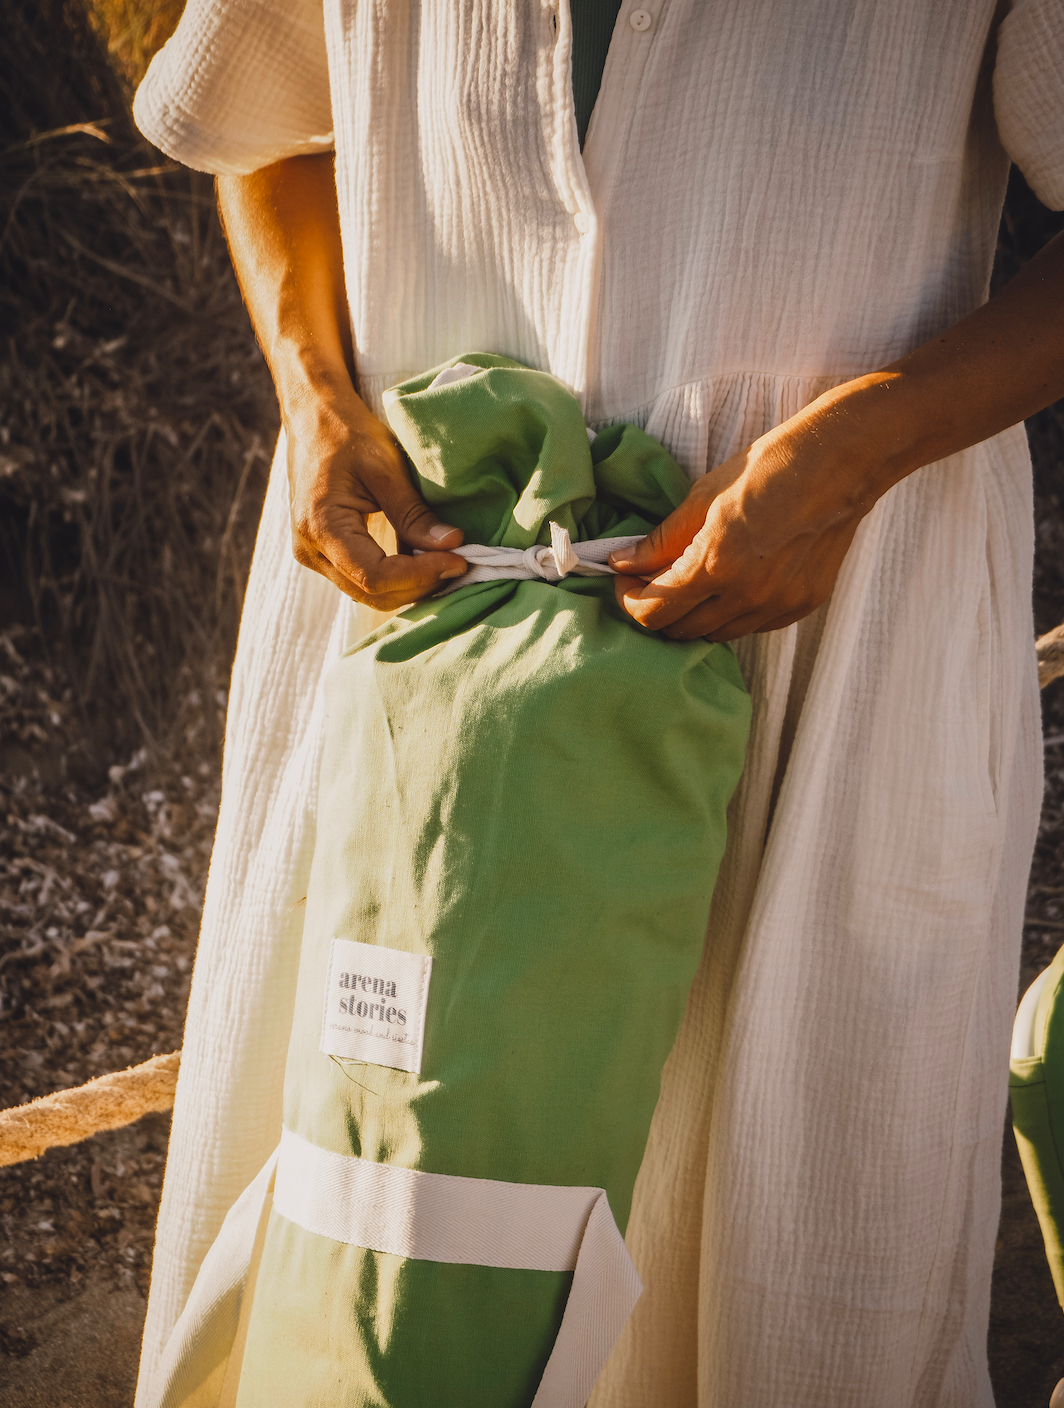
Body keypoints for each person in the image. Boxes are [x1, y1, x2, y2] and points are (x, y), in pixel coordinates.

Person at [131, 2, 1064, 1404]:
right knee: (363, 1246)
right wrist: (316, 394)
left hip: (829, 605)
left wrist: (867, 440)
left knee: (780, 1259)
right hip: (418, 637)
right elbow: (262, 127)